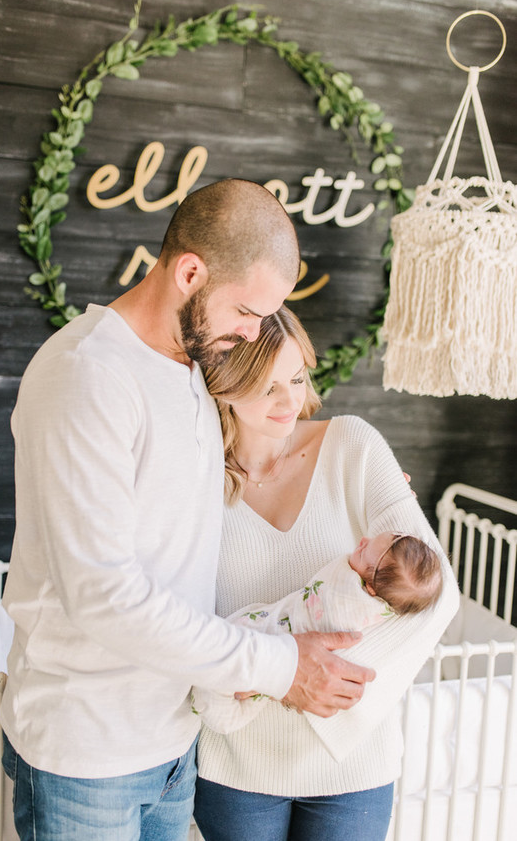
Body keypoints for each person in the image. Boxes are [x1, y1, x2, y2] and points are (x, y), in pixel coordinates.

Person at [0, 179, 376, 841]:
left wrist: (352, 477)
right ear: (190, 271)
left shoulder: (194, 367)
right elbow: (105, 596)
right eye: (246, 310)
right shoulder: (87, 376)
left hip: (173, 740)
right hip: (89, 753)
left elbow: (234, 464)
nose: (253, 332)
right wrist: (280, 664)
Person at [194, 305, 459, 841]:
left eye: (296, 377)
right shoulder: (193, 476)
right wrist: (284, 674)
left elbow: (439, 595)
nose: (290, 401)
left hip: (353, 763)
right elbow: (178, 616)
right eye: (267, 387)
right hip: (236, 766)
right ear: (222, 384)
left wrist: (326, 688)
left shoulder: (353, 447)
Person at [192, 531, 443, 733]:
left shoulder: (348, 598)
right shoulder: (386, 592)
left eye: (363, 550)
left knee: (229, 671)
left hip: (280, 635)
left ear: (371, 590)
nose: (362, 540)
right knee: (224, 670)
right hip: (266, 645)